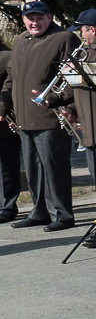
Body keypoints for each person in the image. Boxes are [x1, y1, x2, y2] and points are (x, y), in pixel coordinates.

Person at [41, 8, 96, 247]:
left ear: (93, 29)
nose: (80, 34)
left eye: (82, 29)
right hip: (90, 124)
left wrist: (74, 70)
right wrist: (54, 99)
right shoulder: (88, 50)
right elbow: (76, 87)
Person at [0, 0, 80, 231]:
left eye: (39, 17)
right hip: (24, 117)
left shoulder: (64, 38)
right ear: (23, 19)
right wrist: (3, 106)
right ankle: (39, 212)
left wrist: (70, 107)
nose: (34, 22)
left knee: (54, 168)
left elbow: (74, 78)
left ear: (49, 17)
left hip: (51, 116)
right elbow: (11, 79)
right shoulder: (20, 41)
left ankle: (62, 214)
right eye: (30, 18)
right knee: (34, 169)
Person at [0, 39, 23, 223]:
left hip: (4, 123)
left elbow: (11, 87)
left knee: (7, 168)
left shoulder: (6, 57)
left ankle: (8, 207)